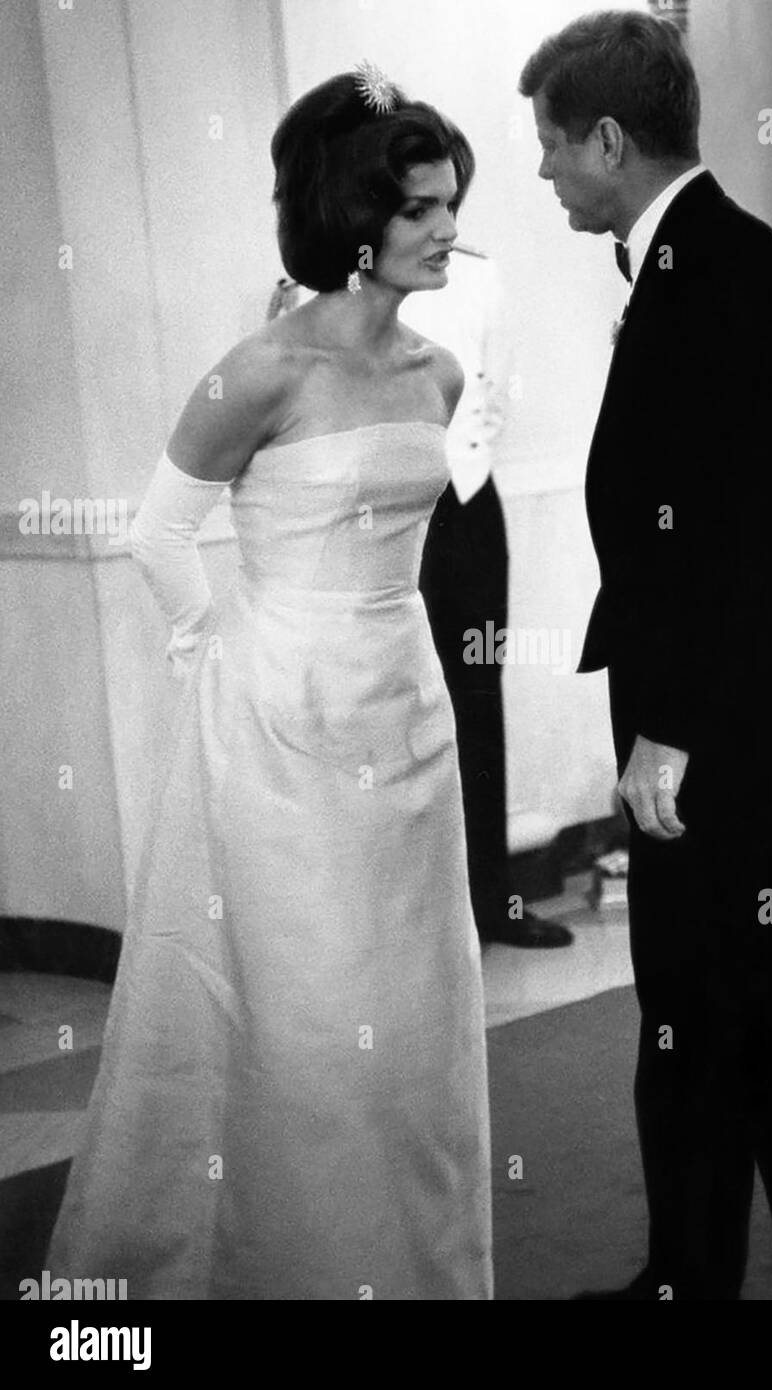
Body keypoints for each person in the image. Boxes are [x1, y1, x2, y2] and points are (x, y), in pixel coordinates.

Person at [45, 65, 492, 1300]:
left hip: (406, 709)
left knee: (411, 1015)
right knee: (302, 1017)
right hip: (278, 722)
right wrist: (223, 657)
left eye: (450, 201)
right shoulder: (258, 372)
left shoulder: (438, 375)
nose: (448, 227)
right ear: (356, 220)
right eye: (419, 209)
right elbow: (156, 533)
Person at [519, 12, 772, 1299]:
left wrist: (672, 728)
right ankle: (686, 1272)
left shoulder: (718, 269)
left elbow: (746, 537)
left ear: (611, 140)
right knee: (698, 1009)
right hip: (726, 710)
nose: (543, 172)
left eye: (553, 146)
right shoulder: (694, 258)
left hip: (726, 728)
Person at [271, 251, 574, 949]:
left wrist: (457, 468)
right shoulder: (321, 283)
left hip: (464, 505)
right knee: (377, 698)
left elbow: (490, 393)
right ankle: (399, 921)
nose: (435, 219)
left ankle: (492, 901)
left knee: (477, 697)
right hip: (373, 512)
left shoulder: (476, 277)